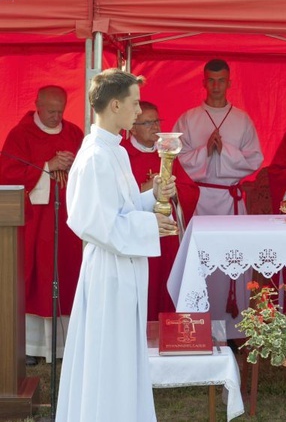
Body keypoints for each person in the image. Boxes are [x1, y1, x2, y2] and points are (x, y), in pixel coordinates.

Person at [56, 69, 177, 422]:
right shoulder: (94, 156)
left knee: (123, 353)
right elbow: (96, 224)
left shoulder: (115, 152)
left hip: (124, 266)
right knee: (108, 354)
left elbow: (118, 208)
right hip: (108, 270)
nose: (139, 112)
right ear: (114, 104)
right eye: (135, 104)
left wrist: (150, 197)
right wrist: (150, 222)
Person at [173, 59, 264, 339]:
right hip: (200, 200)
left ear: (229, 83)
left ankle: (234, 330)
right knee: (201, 263)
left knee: (233, 261)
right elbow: (175, 159)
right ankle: (200, 327)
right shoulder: (188, 118)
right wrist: (204, 150)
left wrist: (224, 151)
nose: (215, 86)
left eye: (221, 81)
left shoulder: (242, 119)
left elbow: (255, 160)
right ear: (203, 82)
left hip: (230, 199)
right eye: (211, 81)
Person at [0, 85, 83, 366]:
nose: (56, 116)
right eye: (51, 111)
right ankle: (32, 346)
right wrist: (47, 164)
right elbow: (8, 173)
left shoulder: (73, 133)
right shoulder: (20, 135)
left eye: (60, 110)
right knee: (35, 279)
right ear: (37, 104)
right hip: (36, 223)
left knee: (67, 273)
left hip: (68, 222)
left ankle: (65, 345)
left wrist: (74, 166)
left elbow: (88, 168)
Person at [123, 100, 200, 321]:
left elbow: (190, 189)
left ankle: (167, 331)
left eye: (157, 121)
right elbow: (115, 197)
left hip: (166, 234)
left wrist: (174, 191)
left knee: (165, 279)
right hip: (138, 234)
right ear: (132, 127)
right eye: (147, 122)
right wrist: (144, 191)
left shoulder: (167, 153)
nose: (155, 127)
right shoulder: (122, 154)